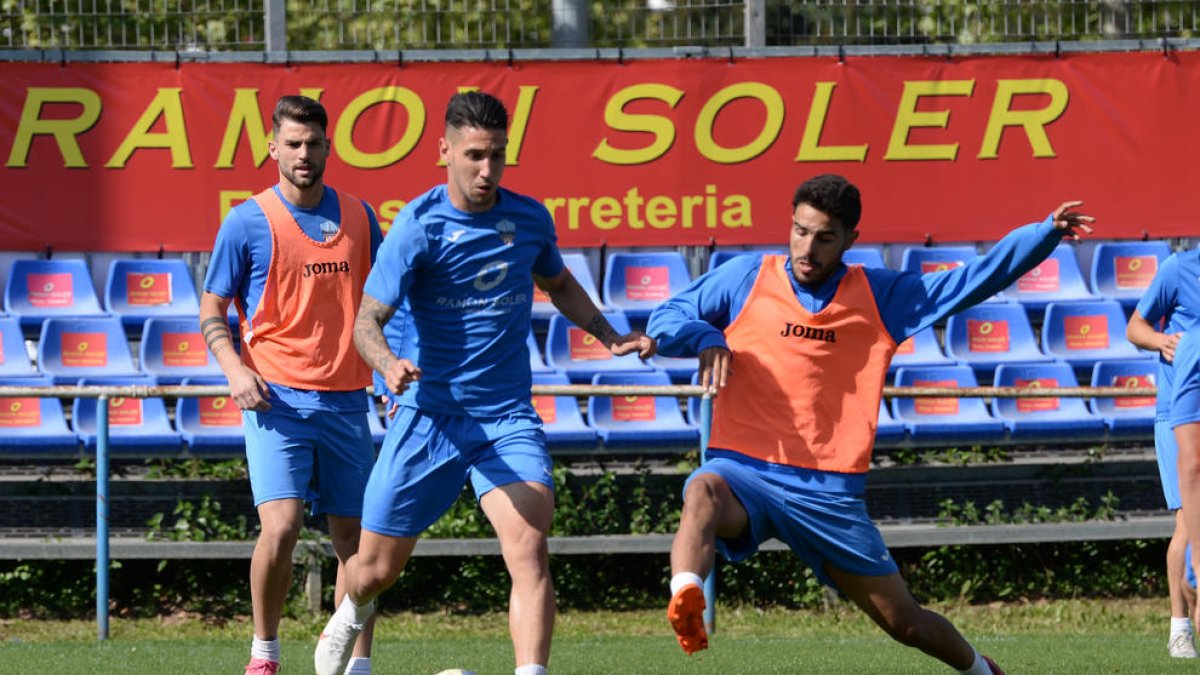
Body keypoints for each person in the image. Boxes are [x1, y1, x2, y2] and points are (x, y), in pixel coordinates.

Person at [646, 174, 1095, 675]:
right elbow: (668, 316)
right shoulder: (745, 277)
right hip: (744, 471)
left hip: (828, 492)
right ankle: (687, 594)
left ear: (850, 240)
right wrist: (706, 336)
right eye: (799, 231)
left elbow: (973, 279)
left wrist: (1043, 233)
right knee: (702, 490)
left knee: (906, 624)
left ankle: (983, 672)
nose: (807, 248)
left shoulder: (881, 294)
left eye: (824, 237)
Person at [313, 91, 655, 675]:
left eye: (498, 155)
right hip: (427, 417)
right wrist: (389, 364)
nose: (487, 170)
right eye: (474, 155)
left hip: (504, 418)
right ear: (444, 150)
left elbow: (561, 283)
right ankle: (348, 616)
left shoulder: (527, 219)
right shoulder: (417, 227)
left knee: (528, 545)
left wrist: (609, 334)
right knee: (373, 570)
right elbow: (366, 321)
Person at [199, 95, 382, 675]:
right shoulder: (246, 220)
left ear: (329, 146)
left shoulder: (360, 215)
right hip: (276, 401)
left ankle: (355, 664)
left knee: (358, 543)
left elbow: (381, 305)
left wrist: (395, 370)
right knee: (279, 528)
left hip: (348, 399)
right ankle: (265, 652)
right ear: (272, 148)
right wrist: (234, 368)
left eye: (314, 143)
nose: (304, 154)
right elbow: (212, 309)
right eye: (293, 144)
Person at [1127, 246, 1200, 658]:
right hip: (1177, 411)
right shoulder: (1179, 268)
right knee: (1190, 520)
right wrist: (1161, 340)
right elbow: (1135, 326)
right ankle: (1179, 627)